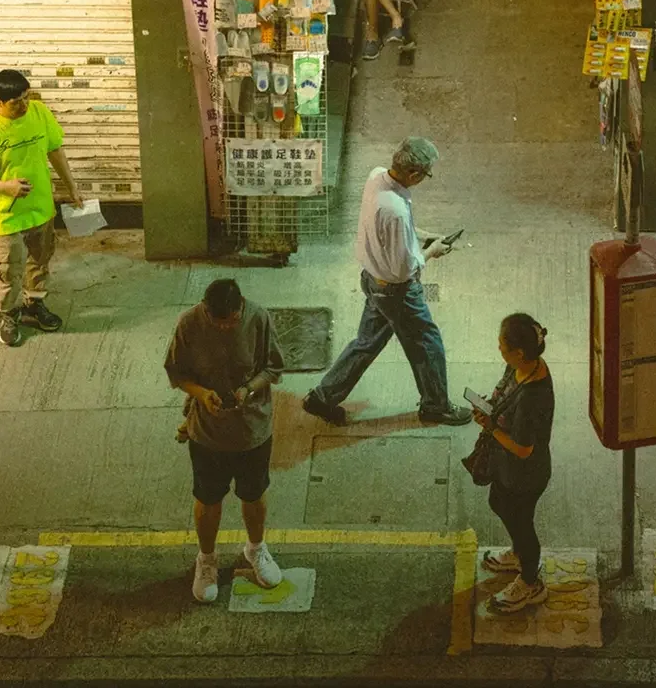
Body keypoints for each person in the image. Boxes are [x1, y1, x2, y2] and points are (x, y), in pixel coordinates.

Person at [302, 137, 471, 427]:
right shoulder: (396, 210)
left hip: (373, 280)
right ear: (414, 174)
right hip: (397, 292)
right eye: (426, 174)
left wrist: (421, 236)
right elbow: (405, 269)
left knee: (366, 343)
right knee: (427, 343)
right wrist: (432, 251)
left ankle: (323, 397)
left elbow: (395, 231)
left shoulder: (376, 178)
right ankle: (435, 405)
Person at [164, 278, 285, 603]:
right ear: (205, 309)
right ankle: (206, 559)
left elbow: (273, 368)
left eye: (229, 322)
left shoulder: (258, 318)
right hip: (207, 435)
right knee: (208, 499)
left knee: (254, 494)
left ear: (239, 308)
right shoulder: (189, 324)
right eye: (216, 322)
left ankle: (256, 549)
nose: (223, 328)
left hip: (252, 431)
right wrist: (202, 394)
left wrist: (248, 390)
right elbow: (177, 373)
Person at [472, 313, 555, 613]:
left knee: (522, 525)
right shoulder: (518, 367)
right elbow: (502, 397)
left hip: (526, 474)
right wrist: (489, 411)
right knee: (498, 502)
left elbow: (523, 448)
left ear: (519, 352)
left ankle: (531, 582)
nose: (499, 350)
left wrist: (491, 429)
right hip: (506, 466)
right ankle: (519, 554)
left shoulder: (534, 396)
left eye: (502, 345)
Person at [0, 69, 82, 348]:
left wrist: (71, 187)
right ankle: (8, 314)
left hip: (41, 210)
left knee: (39, 262)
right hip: (5, 217)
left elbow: (55, 150)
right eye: (15, 101)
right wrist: (5, 187)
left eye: (26, 97)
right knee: (10, 270)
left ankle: (33, 304)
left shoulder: (39, 112)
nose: (24, 104)